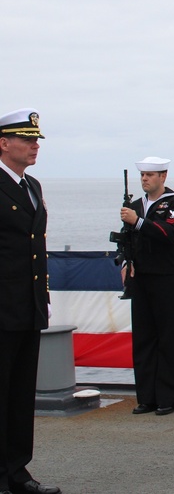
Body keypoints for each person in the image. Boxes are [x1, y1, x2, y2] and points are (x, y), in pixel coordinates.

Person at [0, 109, 61, 494]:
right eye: (26, 139)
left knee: (21, 394)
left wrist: (42, 300)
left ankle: (17, 470)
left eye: (36, 139)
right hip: (1, 307)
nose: (34, 145)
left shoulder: (32, 185)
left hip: (28, 306)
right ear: (4, 143)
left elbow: (34, 249)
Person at [119, 157, 174, 416]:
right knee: (144, 338)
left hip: (166, 277)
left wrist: (138, 221)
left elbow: (170, 235)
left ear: (163, 176)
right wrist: (126, 261)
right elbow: (126, 239)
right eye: (143, 175)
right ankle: (146, 397)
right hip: (141, 278)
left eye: (150, 175)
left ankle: (168, 398)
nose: (145, 179)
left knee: (167, 338)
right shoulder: (136, 205)